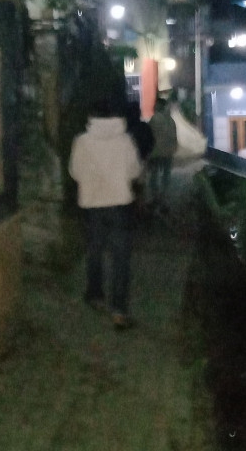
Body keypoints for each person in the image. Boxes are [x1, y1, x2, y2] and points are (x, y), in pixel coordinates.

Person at [69, 98, 142, 330]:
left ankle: (95, 294)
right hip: (119, 204)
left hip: (93, 204)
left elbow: (75, 172)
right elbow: (134, 171)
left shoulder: (82, 141)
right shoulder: (125, 140)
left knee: (95, 251)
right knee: (121, 258)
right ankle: (119, 311)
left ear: (92, 116)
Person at [147, 98, 178, 211]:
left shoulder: (155, 119)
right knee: (166, 176)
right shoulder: (171, 120)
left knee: (154, 176)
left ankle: (155, 199)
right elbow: (174, 138)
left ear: (159, 106)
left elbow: (149, 136)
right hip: (168, 153)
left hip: (156, 152)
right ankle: (164, 199)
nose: (154, 106)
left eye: (156, 105)